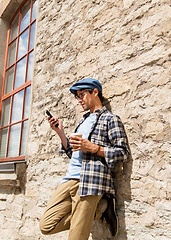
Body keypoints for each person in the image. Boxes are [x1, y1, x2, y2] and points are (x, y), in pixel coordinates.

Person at [39, 78, 130, 239]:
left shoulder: (110, 119)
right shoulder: (83, 121)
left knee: (76, 237)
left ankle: (93, 209)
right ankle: (100, 209)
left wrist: (93, 148)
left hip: (90, 181)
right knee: (46, 225)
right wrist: (60, 132)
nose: (79, 100)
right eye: (77, 97)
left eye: (82, 95)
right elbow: (73, 152)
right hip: (69, 179)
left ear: (95, 92)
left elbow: (122, 152)